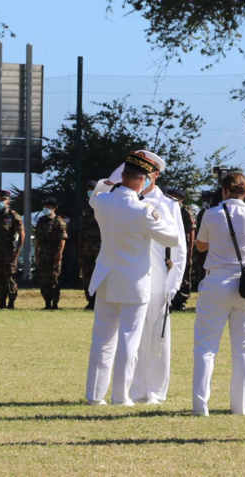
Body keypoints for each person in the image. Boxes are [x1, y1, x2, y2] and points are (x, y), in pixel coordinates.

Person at [84, 151, 180, 406]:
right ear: (143, 180)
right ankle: (120, 395)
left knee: (102, 338)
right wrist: (157, 211)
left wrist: (112, 183)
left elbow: (100, 191)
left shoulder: (102, 202)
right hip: (134, 283)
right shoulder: (143, 210)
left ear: (123, 176)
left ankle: (95, 396)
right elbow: (172, 238)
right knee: (129, 339)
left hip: (106, 277)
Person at [192, 172, 245, 416]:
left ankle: (200, 406)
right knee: (244, 349)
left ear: (223, 190)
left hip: (217, 281)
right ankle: (240, 407)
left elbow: (201, 245)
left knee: (206, 347)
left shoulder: (211, 214)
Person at [120, 152, 187, 405]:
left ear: (154, 176)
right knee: (131, 338)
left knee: (158, 340)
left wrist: (174, 283)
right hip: (132, 277)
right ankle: (133, 391)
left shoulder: (169, 205)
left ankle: (155, 392)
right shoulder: (126, 200)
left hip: (159, 279)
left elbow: (180, 248)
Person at [0, 190, 25, 309]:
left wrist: (17, 251)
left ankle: (11, 302)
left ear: (8, 201)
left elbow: (22, 233)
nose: (0, 202)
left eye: (2, 199)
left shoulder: (13, 215)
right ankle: (1, 301)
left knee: (10, 276)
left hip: (9, 251)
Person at [35, 197, 67, 310]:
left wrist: (59, 253)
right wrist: (36, 252)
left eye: (49, 207)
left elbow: (62, 239)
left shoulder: (59, 222)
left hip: (54, 253)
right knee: (43, 279)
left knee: (54, 278)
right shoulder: (41, 221)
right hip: (43, 253)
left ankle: (55, 303)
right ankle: (47, 302)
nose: (46, 209)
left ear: (54, 208)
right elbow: (38, 238)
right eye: (45, 207)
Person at [167, 187, 196, 312]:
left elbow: (191, 232)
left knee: (184, 275)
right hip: (169, 246)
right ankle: (171, 300)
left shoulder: (185, 212)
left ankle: (182, 301)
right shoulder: (167, 208)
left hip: (183, 246)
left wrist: (189, 251)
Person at [79, 180, 101, 310]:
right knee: (87, 273)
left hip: (99, 245)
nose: (89, 190)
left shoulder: (103, 203)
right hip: (86, 245)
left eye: (92, 188)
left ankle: (100, 300)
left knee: (99, 273)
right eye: (88, 188)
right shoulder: (85, 206)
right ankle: (90, 300)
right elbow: (82, 227)